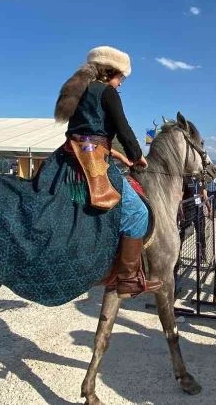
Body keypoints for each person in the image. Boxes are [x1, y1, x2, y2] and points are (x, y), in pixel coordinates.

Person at [52, 45, 160, 298]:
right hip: (93, 160)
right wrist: (136, 156)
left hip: (68, 155)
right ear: (110, 72)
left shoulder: (80, 91)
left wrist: (119, 154)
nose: (121, 84)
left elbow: (85, 132)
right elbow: (123, 128)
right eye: (121, 77)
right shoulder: (107, 92)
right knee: (137, 213)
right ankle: (127, 278)